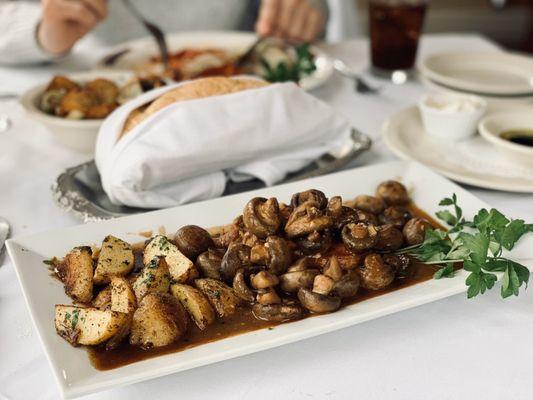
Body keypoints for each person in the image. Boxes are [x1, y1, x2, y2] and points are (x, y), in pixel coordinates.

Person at [0, 0, 328, 65]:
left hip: (245, 90)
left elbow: (316, 11)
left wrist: (303, 9)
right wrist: (42, 30)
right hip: (91, 78)